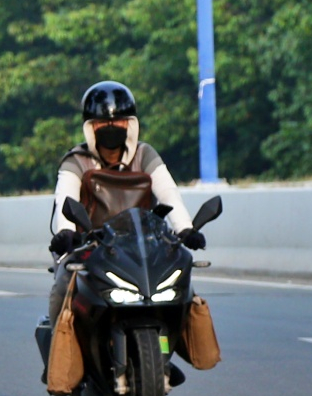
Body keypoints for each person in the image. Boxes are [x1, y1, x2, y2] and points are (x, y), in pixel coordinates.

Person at [44, 80, 201, 324]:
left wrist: (185, 228)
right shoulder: (76, 161)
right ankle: (58, 352)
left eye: (118, 121)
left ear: (130, 125)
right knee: (64, 283)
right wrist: (66, 232)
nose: (110, 127)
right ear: (90, 128)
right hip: (90, 248)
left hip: (143, 248)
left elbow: (169, 193)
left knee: (185, 290)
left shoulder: (144, 154)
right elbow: (66, 197)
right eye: (102, 123)